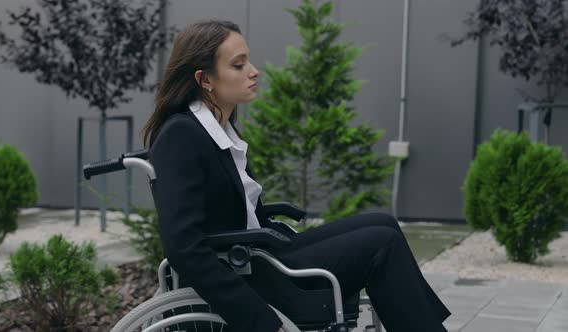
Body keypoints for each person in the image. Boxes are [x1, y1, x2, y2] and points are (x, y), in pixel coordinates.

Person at [142, 20, 451, 332]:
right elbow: (183, 248)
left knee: (383, 223)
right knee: (381, 244)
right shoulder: (181, 135)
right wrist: (259, 319)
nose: (254, 71)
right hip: (252, 275)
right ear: (205, 79)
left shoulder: (218, 128)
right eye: (239, 65)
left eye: (248, 60)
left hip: (263, 255)